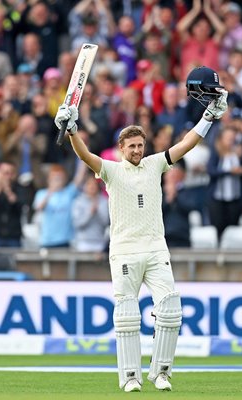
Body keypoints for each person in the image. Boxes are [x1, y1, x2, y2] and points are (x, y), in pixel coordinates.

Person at [54, 66, 228, 392]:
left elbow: (186, 144)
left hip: (155, 248)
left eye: (139, 145)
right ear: (122, 149)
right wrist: (73, 129)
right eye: (131, 146)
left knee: (171, 308)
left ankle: (161, 372)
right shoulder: (110, 170)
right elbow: (85, 155)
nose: (136, 150)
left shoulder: (155, 164)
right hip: (123, 250)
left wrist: (209, 117)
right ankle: (130, 378)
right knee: (127, 316)